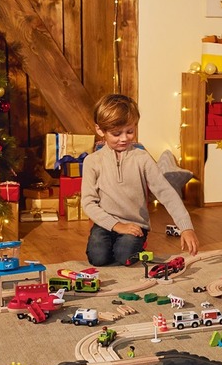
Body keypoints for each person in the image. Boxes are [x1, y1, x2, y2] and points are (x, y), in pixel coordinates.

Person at [81, 94, 199, 266]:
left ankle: (136, 244)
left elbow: (166, 193)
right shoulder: (92, 161)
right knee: (98, 258)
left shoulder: (142, 158)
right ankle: (115, 243)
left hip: (135, 224)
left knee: (124, 257)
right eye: (116, 133)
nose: (124, 138)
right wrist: (116, 225)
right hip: (105, 223)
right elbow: (88, 203)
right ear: (100, 130)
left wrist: (186, 227)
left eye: (130, 131)